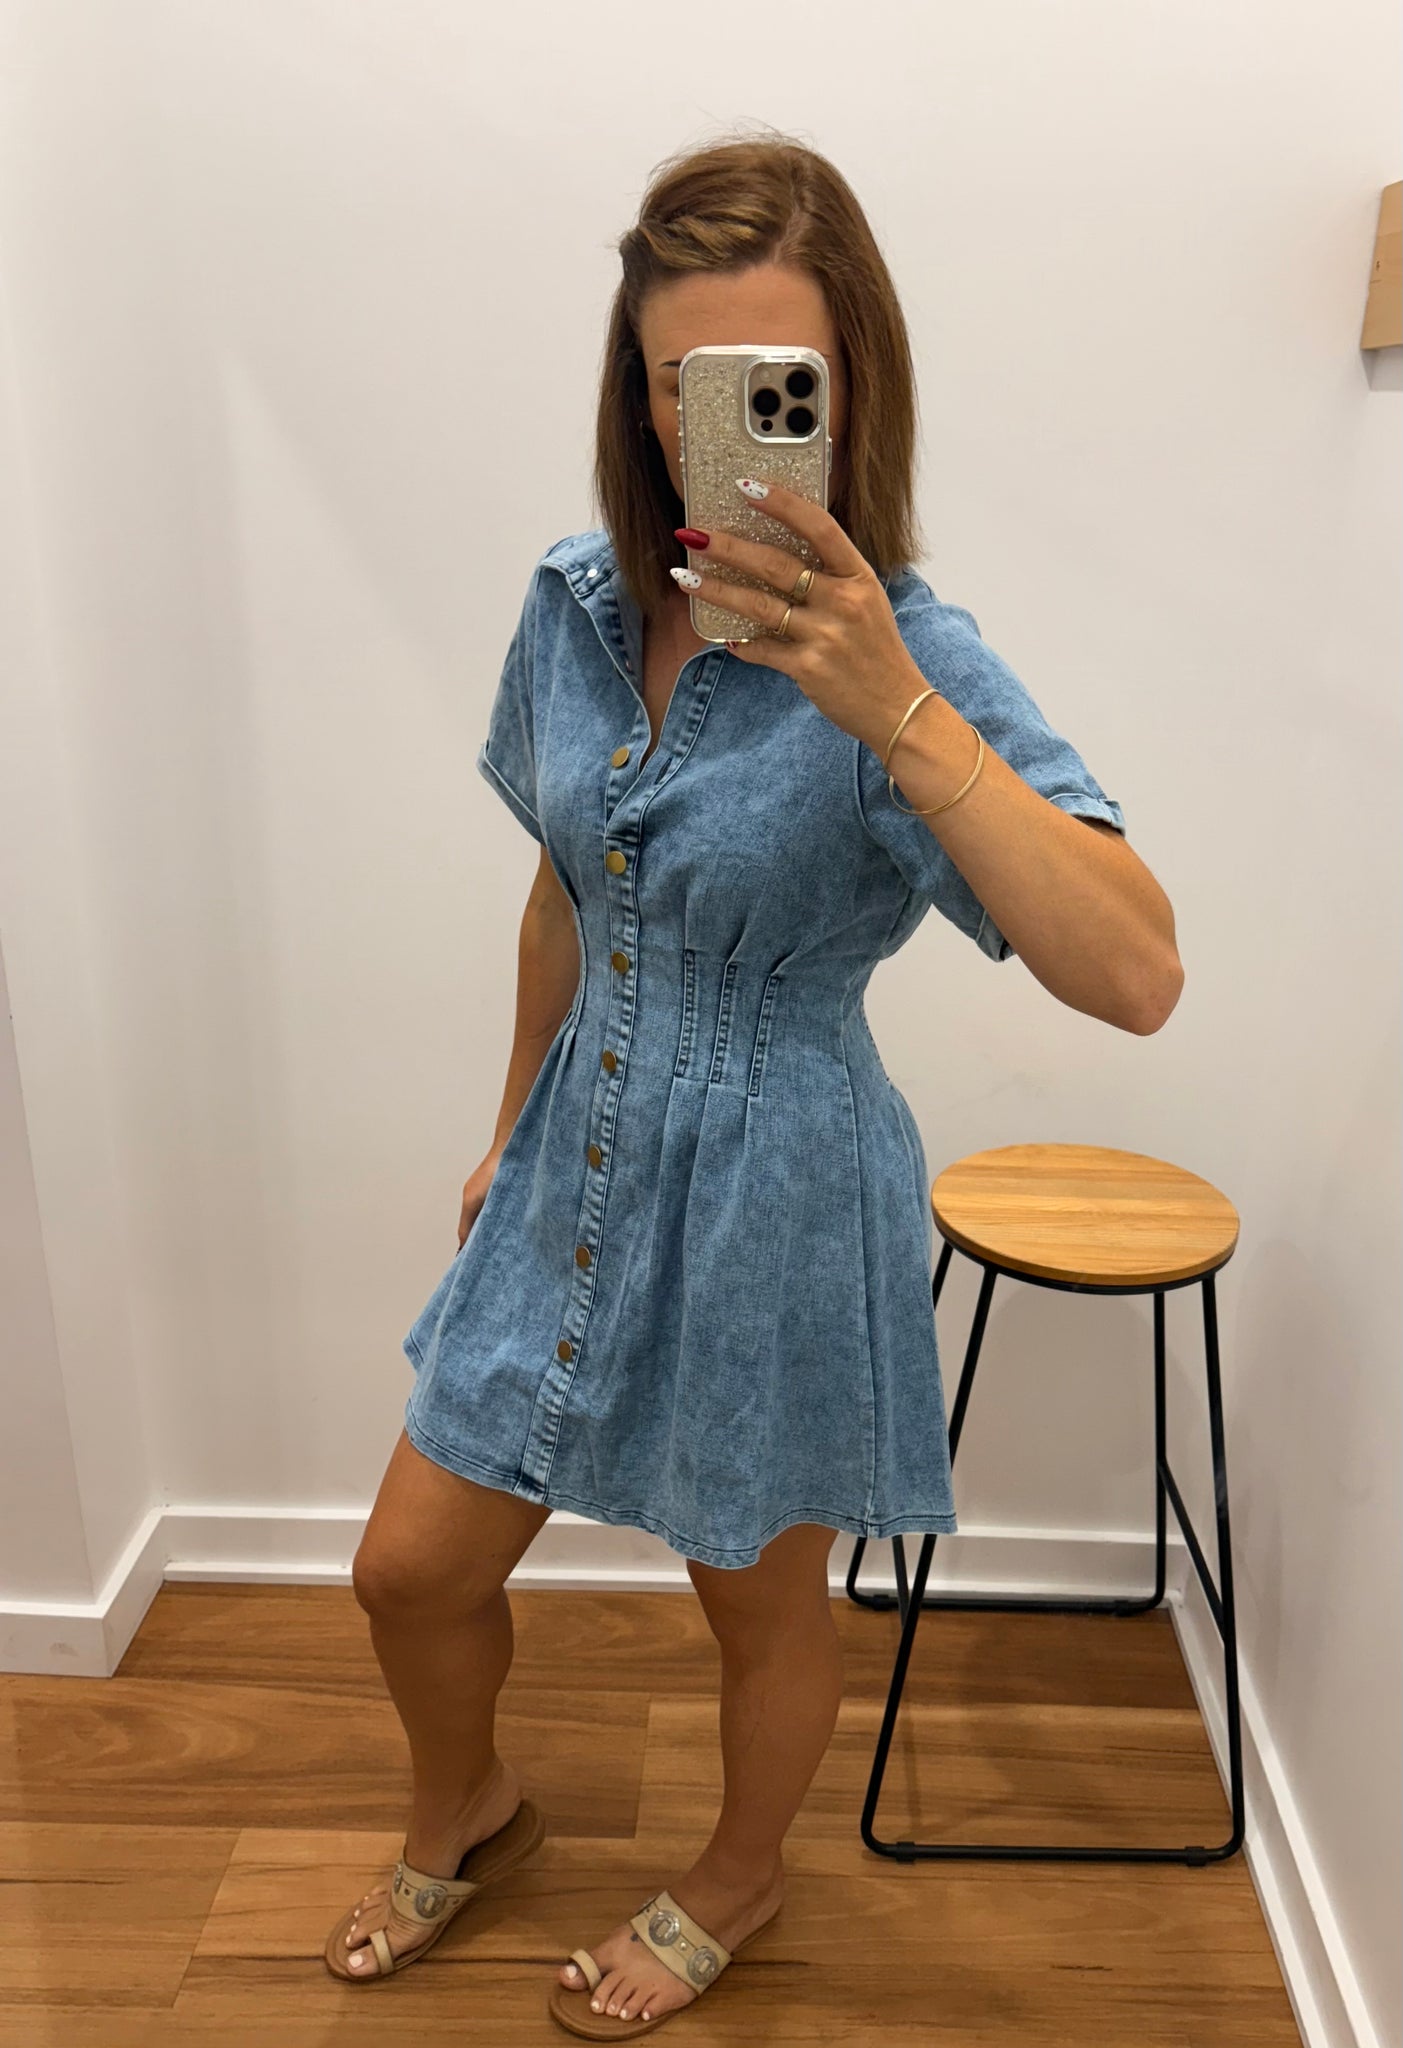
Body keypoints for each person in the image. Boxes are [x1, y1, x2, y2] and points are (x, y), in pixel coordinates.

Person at [323, 128, 1183, 2034]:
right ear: (639, 401)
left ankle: (739, 1874)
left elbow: (1135, 970)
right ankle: (466, 1805)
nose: (716, 423)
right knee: (407, 1572)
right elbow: (564, 889)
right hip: (574, 1153)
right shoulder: (571, 606)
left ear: (849, 383)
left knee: (759, 1605)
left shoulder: (915, 658)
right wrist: (503, 1129)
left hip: (781, 1185)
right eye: (676, 382)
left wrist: (891, 704)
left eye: (771, 380)